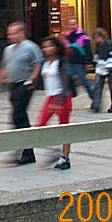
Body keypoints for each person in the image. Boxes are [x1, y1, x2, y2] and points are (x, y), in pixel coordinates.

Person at [0, 21, 44, 165]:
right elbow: (5, 68)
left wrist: (31, 80)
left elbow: (38, 64)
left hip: (24, 84)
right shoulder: (8, 50)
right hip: (13, 84)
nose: (10, 37)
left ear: (22, 33)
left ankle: (24, 149)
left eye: (13, 33)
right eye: (9, 34)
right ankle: (26, 150)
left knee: (18, 114)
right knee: (19, 117)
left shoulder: (31, 47)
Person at [35, 36, 75, 170]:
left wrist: (59, 100)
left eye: (50, 46)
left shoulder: (62, 63)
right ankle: (54, 151)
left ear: (57, 47)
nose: (46, 49)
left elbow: (65, 83)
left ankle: (65, 158)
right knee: (40, 126)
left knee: (64, 127)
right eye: (44, 47)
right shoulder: (45, 62)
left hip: (62, 97)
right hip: (50, 97)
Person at [62, 18, 94, 104]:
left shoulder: (83, 35)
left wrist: (88, 61)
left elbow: (88, 49)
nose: (72, 26)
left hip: (79, 63)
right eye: (70, 24)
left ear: (77, 24)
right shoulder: (67, 37)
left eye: (74, 24)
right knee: (66, 81)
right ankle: (68, 100)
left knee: (84, 82)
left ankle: (95, 99)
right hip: (69, 62)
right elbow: (64, 50)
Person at [91, 28, 112, 113]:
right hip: (102, 67)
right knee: (98, 86)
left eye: (97, 37)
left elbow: (110, 56)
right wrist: (94, 62)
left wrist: (108, 66)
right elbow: (97, 55)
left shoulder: (107, 44)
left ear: (102, 36)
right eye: (95, 38)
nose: (96, 39)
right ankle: (96, 105)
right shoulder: (98, 45)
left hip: (109, 67)